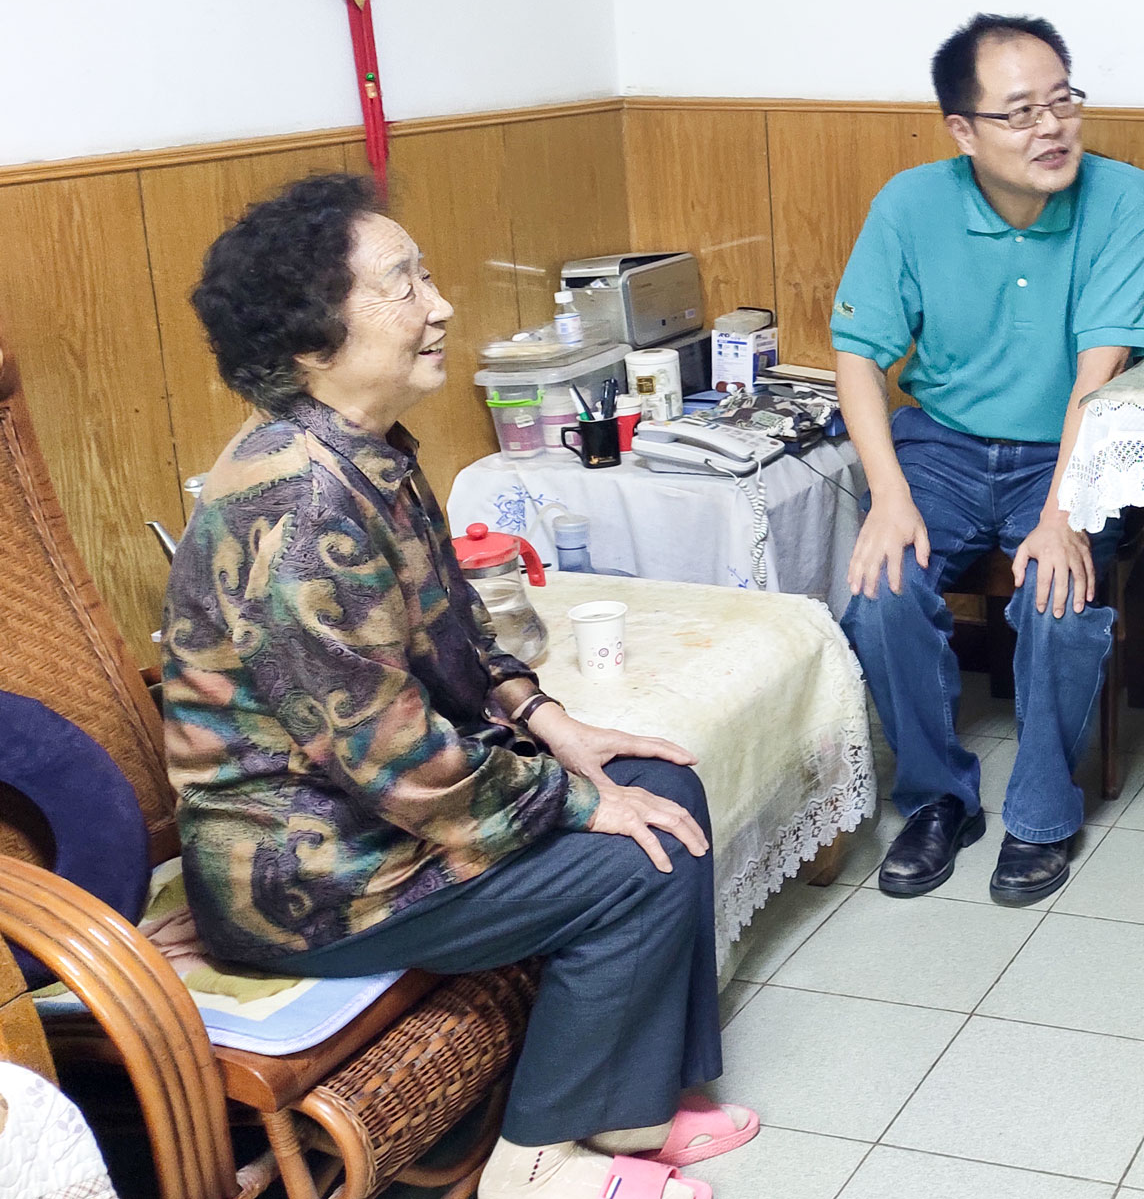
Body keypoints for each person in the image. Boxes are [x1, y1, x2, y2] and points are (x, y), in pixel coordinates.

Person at [164, 175, 748, 1199]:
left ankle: (635, 1108)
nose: (439, 306)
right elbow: (396, 761)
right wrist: (580, 804)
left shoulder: (365, 452)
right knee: (636, 857)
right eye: (403, 285)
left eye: (426, 276)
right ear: (312, 339)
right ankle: (540, 1158)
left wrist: (551, 723)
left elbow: (456, 629)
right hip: (313, 877)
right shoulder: (297, 509)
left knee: (665, 787)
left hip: (369, 822)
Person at [833, 14, 1144, 907]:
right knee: (879, 591)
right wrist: (888, 497)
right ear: (963, 130)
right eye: (1020, 112)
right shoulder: (910, 204)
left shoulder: (1125, 199)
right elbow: (857, 355)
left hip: (1072, 448)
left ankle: (1042, 813)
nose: (1050, 128)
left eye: (1063, 102)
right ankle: (936, 798)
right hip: (940, 443)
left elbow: (1099, 375)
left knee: (1059, 593)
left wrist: (1061, 516)